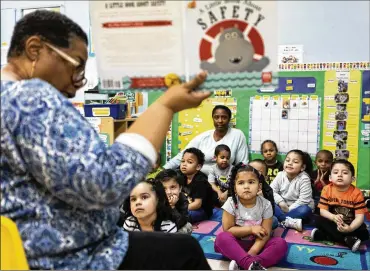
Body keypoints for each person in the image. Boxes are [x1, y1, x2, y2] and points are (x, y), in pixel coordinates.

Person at [1, 10, 211, 270]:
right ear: (35, 49)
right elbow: (102, 185)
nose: (76, 83)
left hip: (22, 251)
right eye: (75, 64)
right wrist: (166, 106)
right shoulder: (29, 96)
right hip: (75, 256)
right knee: (186, 250)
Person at [214, 164, 287, 270]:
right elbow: (228, 230)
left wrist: (252, 252)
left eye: (251, 182)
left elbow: (265, 234)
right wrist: (251, 229)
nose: (246, 186)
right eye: (241, 183)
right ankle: (251, 264)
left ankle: (247, 263)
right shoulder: (230, 203)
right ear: (235, 188)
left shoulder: (266, 204)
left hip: (258, 245)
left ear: (259, 186)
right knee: (222, 238)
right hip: (236, 246)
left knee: (281, 244)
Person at [164, 105, 249, 175]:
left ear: (229, 119)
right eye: (216, 117)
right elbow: (182, 155)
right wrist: (163, 170)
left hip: (225, 181)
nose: (220, 121)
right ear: (213, 119)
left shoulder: (237, 135)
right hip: (199, 180)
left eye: (224, 117)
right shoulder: (203, 137)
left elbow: (242, 164)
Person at [311, 160, 369, 252]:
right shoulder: (326, 189)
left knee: (365, 233)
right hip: (333, 222)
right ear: (330, 177)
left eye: (345, 173)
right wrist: (333, 217)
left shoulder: (357, 193)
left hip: (350, 224)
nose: (340, 175)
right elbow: (323, 211)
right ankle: (347, 240)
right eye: (335, 172)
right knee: (318, 220)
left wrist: (350, 228)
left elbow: (359, 217)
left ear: (353, 179)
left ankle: (325, 236)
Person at [270, 150, 314, 231]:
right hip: (282, 207)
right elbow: (271, 191)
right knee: (267, 202)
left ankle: (282, 220)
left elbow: (304, 200)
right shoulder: (280, 175)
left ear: (302, 167)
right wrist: (281, 202)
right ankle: (289, 221)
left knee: (305, 210)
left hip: (297, 208)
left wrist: (289, 210)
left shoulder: (304, 178)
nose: (290, 163)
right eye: (287, 160)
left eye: (295, 162)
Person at [179, 148, 217, 223]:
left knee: (183, 216)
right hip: (189, 204)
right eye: (183, 161)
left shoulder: (200, 181)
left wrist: (180, 209)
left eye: (189, 162)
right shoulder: (181, 176)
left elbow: (197, 204)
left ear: (198, 167)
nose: (184, 164)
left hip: (202, 210)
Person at [155, 169, 192, 234]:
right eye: (164, 189)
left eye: (172, 187)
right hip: (157, 229)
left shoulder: (183, 199)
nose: (168, 192)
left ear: (180, 188)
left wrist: (172, 207)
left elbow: (182, 222)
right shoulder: (156, 199)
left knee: (188, 227)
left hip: (174, 226)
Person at [249, 159, 277, 229]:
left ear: (265, 177)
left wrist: (261, 198)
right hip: (241, 216)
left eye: (258, 173)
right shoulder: (241, 184)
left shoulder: (268, 190)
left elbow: (271, 212)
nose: (253, 175)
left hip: (258, 219)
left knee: (274, 221)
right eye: (250, 171)